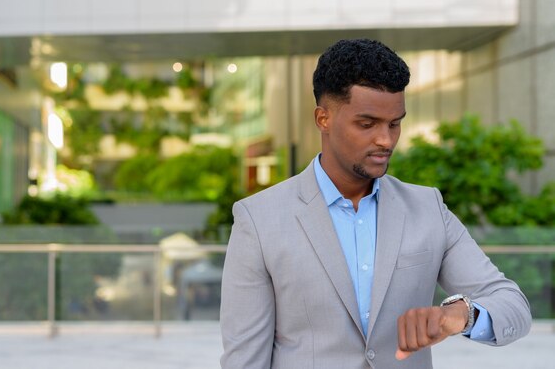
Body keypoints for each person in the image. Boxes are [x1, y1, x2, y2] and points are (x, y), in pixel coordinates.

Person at [219, 38, 531, 369]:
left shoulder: (428, 208)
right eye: (367, 124)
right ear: (323, 118)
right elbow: (245, 360)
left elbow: (513, 305)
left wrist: (458, 315)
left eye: (394, 123)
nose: (386, 140)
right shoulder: (259, 218)